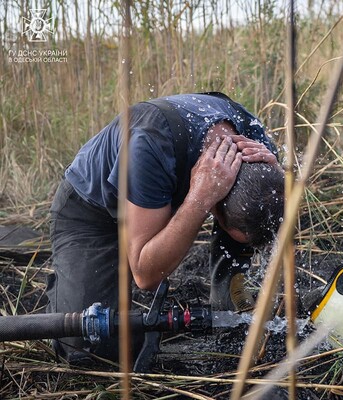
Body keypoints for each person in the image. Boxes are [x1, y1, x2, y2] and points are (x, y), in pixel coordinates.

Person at [46, 92, 285, 363]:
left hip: (164, 195)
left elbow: (275, 208)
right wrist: (199, 198)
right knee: (93, 347)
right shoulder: (151, 145)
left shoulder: (258, 149)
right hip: (93, 213)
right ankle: (68, 288)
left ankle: (228, 312)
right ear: (215, 206)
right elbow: (146, 276)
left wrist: (279, 174)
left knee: (260, 217)